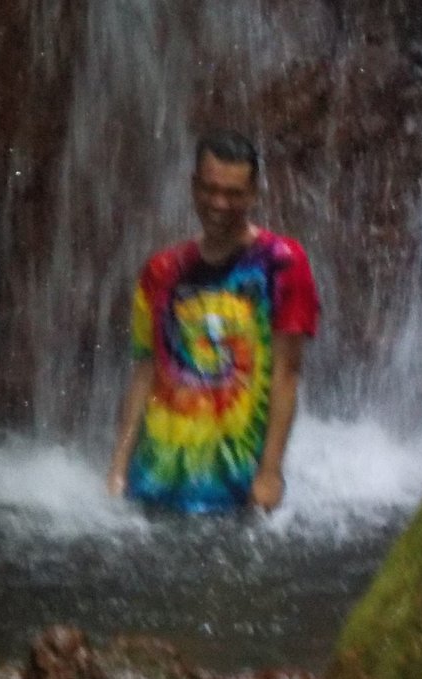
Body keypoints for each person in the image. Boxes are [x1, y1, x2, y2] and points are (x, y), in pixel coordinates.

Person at [106, 130, 319, 513]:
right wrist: (119, 467)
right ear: (193, 187)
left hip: (235, 489)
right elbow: (144, 372)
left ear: (254, 193)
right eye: (210, 189)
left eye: (234, 193)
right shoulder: (160, 272)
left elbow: (287, 374)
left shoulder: (283, 263)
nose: (219, 203)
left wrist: (270, 472)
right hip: (155, 484)